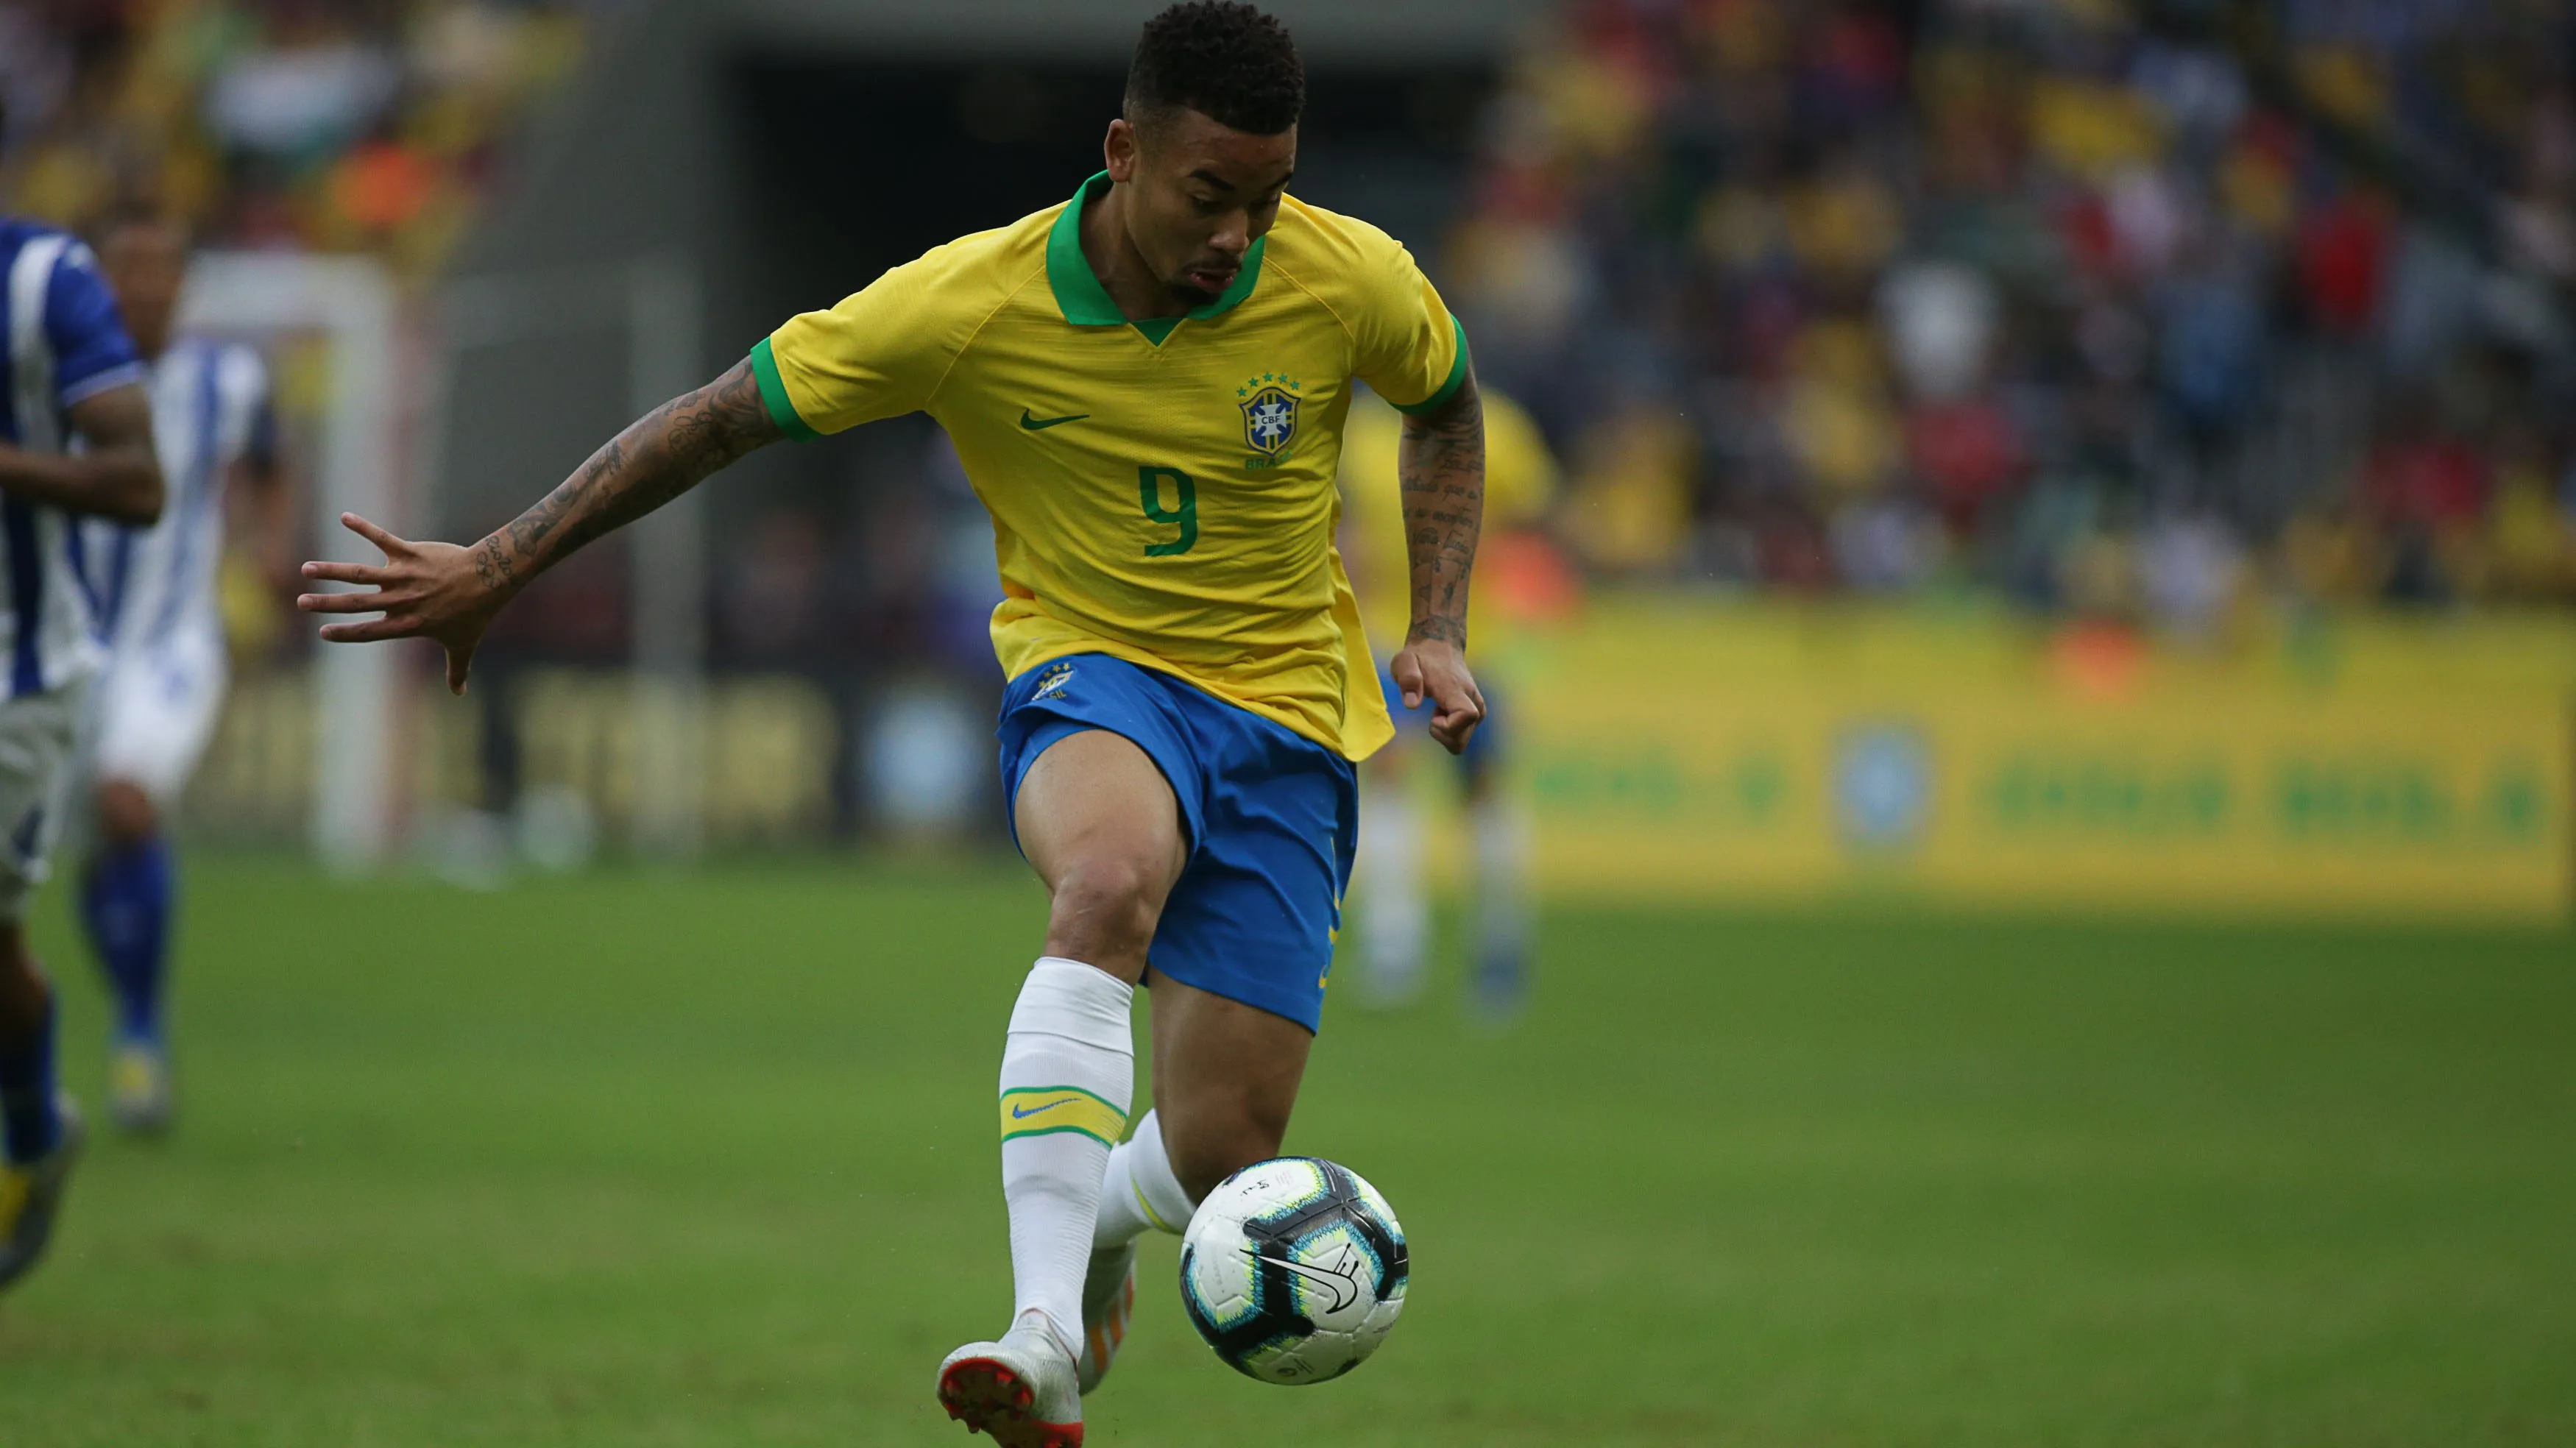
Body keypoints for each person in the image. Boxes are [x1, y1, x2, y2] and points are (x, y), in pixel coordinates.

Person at [294, 7, 1485, 1444]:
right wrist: (502, 560)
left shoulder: (1349, 278)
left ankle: (1101, 1217)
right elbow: (720, 417)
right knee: (1103, 883)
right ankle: (1040, 1333)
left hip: (1292, 722)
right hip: (1093, 675)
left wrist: (1437, 621)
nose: (1240, 233)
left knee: (1224, 1153)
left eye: (1268, 196)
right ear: (1123, 153)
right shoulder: (965, 304)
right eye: (1208, 194)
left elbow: (1445, 403)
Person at [0, 100, 171, 1295]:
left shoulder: (44, 280)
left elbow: (139, 483)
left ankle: (51, 1114)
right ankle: (37, 1130)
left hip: (18, 672)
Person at [80, 207, 289, 1134]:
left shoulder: (228, 379)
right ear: (98, 280)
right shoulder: (55, 373)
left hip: (171, 639)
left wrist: (267, 555)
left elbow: (275, 466)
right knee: (74, 848)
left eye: (161, 269)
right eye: (128, 269)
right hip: (63, 641)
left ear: (183, 283)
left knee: (129, 804)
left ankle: (138, 1033)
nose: (146, 286)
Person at [1337, 386, 1556, 1019]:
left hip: (1473, 641)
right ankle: (1394, 945)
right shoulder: (1365, 435)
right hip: (1387, 637)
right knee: (1390, 776)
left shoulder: (1500, 427)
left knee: (1481, 788)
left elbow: (1533, 521)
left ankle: (1500, 943)